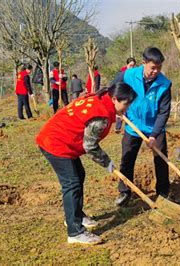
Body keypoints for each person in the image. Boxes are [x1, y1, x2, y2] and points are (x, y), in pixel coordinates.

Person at [36, 83, 137, 245]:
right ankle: (75, 231)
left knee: (79, 175)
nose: (127, 109)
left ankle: (76, 215)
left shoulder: (99, 98)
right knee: (72, 183)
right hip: (55, 143)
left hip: (61, 139)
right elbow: (89, 146)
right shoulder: (101, 117)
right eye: (125, 105)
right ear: (115, 99)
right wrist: (107, 163)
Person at [112, 47, 172, 207]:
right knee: (127, 158)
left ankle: (163, 193)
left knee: (161, 160)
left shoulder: (164, 84)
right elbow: (112, 89)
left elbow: (164, 112)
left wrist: (154, 135)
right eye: (153, 68)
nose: (156, 71)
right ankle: (125, 191)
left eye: (159, 68)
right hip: (133, 125)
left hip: (154, 127)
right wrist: (116, 107)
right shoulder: (129, 75)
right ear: (144, 63)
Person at [113, 57, 137, 134]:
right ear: (127, 65)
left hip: (131, 97)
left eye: (133, 65)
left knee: (129, 113)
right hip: (123, 96)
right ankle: (117, 128)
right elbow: (115, 84)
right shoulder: (123, 74)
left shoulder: (135, 74)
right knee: (120, 113)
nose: (132, 67)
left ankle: (128, 128)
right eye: (130, 65)